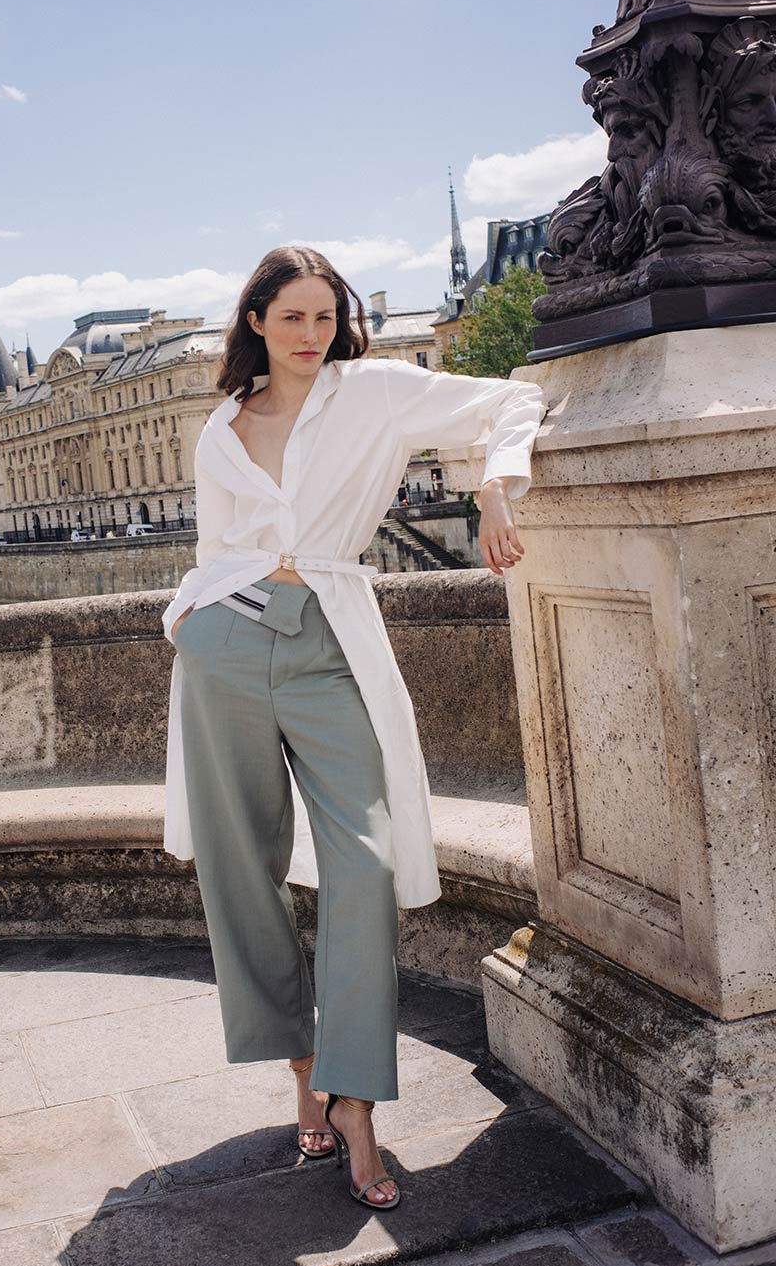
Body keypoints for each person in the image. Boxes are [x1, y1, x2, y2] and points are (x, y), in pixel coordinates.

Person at [159, 244, 547, 1213]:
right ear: (253, 319)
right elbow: (217, 550)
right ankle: (302, 1072)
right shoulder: (220, 426)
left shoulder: (372, 391)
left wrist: (492, 484)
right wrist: (190, 622)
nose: (308, 335)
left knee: (362, 862)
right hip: (222, 646)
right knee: (238, 868)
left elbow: (512, 399)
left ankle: (354, 1097)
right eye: (289, 316)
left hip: (328, 642)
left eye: (323, 317)